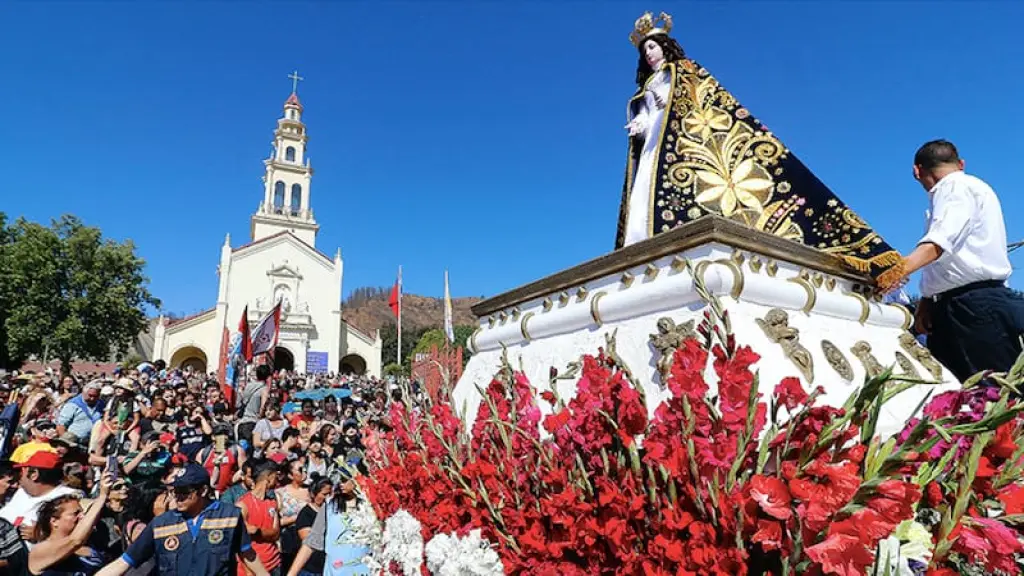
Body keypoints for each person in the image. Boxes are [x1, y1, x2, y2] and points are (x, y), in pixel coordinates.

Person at [613, 11, 902, 284]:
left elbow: (702, 103)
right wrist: (640, 122)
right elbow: (646, 115)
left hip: (683, 141)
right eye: (645, 50)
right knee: (645, 193)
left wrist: (674, 103)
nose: (649, 53)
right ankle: (640, 247)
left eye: (653, 46)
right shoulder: (647, 86)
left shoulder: (686, 70)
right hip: (655, 145)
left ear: (665, 46)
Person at [885, 140, 1024, 381]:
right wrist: (927, 301)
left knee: (987, 396)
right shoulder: (971, 188)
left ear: (917, 171)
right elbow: (947, 254)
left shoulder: (953, 187)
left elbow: (940, 242)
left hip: (972, 308)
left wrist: (892, 271)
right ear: (961, 163)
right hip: (974, 303)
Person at [95, 463, 270, 576]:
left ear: (202, 491)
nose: (177, 497)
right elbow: (125, 562)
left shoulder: (229, 516)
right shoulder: (161, 524)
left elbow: (248, 555)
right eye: (174, 491)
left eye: (184, 492)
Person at [27, 472, 112, 576]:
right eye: (75, 513)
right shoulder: (39, 551)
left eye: (82, 512)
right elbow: (75, 541)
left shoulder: (90, 542)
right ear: (54, 521)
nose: (82, 516)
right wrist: (102, 496)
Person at [0, 451, 81, 534]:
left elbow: (78, 534)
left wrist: (42, 534)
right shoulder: (22, 491)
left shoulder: (70, 497)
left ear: (34, 474)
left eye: (21, 472)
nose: (18, 477)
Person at [237, 459, 281, 576]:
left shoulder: (272, 502)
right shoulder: (242, 505)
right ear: (269, 477)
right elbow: (238, 539)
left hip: (274, 564)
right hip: (251, 568)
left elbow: (276, 534)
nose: (277, 480)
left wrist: (257, 531)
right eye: (276, 476)